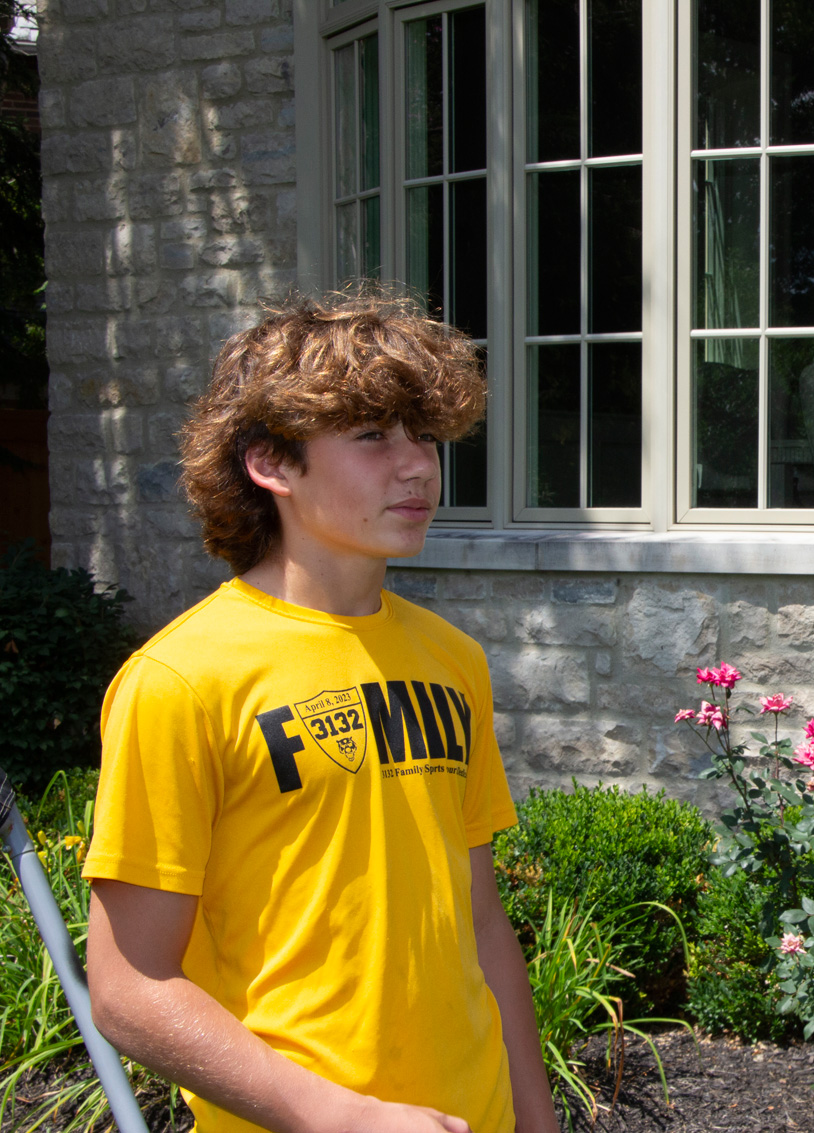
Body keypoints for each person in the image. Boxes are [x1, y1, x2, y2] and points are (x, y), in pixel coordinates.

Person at [82, 294, 560, 1133]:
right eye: (374, 436)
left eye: (426, 436)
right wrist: (342, 1116)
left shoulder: (454, 660)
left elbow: (482, 922)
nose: (417, 466)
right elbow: (128, 987)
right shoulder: (181, 679)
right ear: (272, 462)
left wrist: (536, 1120)